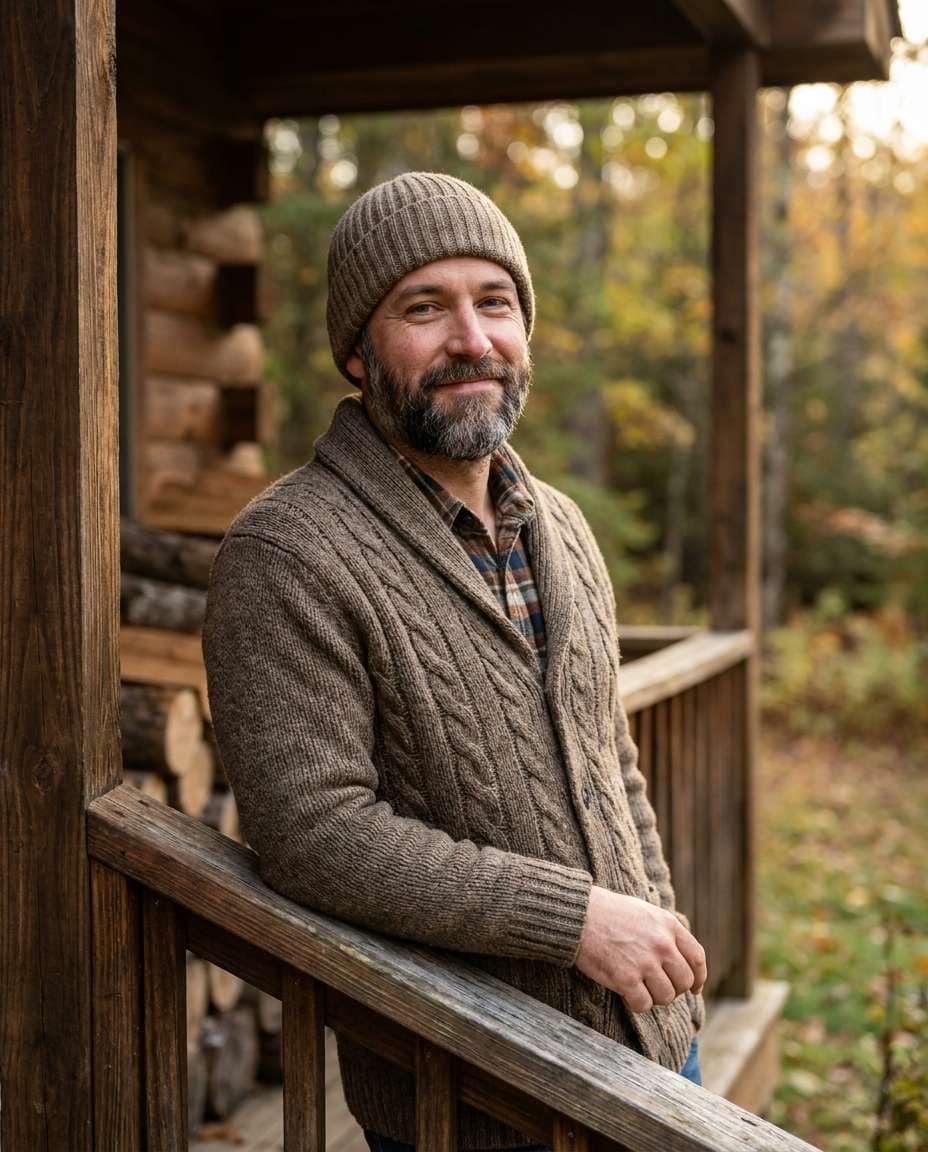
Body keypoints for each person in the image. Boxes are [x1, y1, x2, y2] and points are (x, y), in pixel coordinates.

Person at [202, 171, 707, 1152]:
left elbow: (614, 764)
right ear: (357, 351)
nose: (471, 339)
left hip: (655, 1052)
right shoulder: (287, 552)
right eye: (424, 308)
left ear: (527, 334)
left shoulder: (559, 524)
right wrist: (576, 921)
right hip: (469, 1091)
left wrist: (659, 937)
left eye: (495, 302)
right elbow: (314, 830)